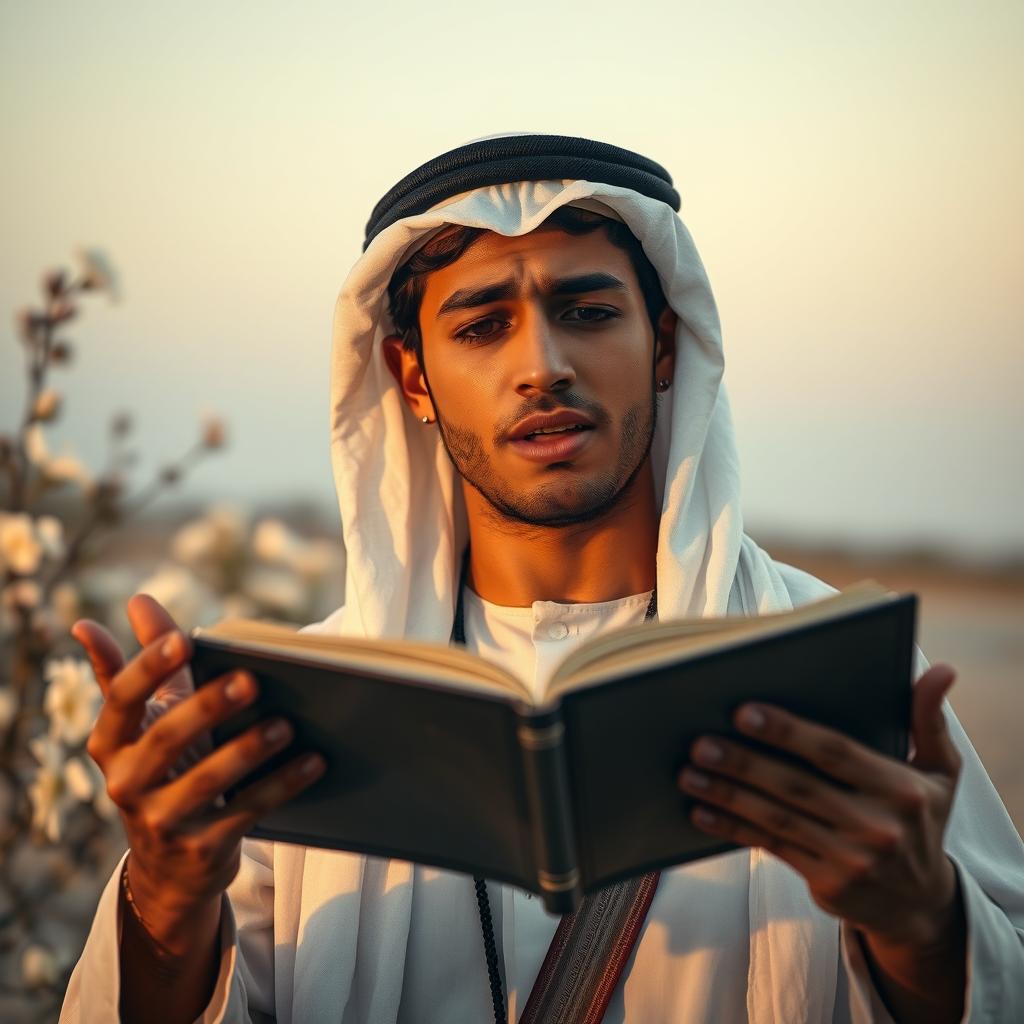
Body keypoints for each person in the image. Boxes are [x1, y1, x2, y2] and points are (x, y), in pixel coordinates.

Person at [61, 134, 1024, 1023]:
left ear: (661, 346)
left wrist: (922, 921)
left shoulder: (819, 666)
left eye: (589, 312)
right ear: (413, 379)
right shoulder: (300, 708)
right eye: (483, 328)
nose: (544, 367)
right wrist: (168, 891)